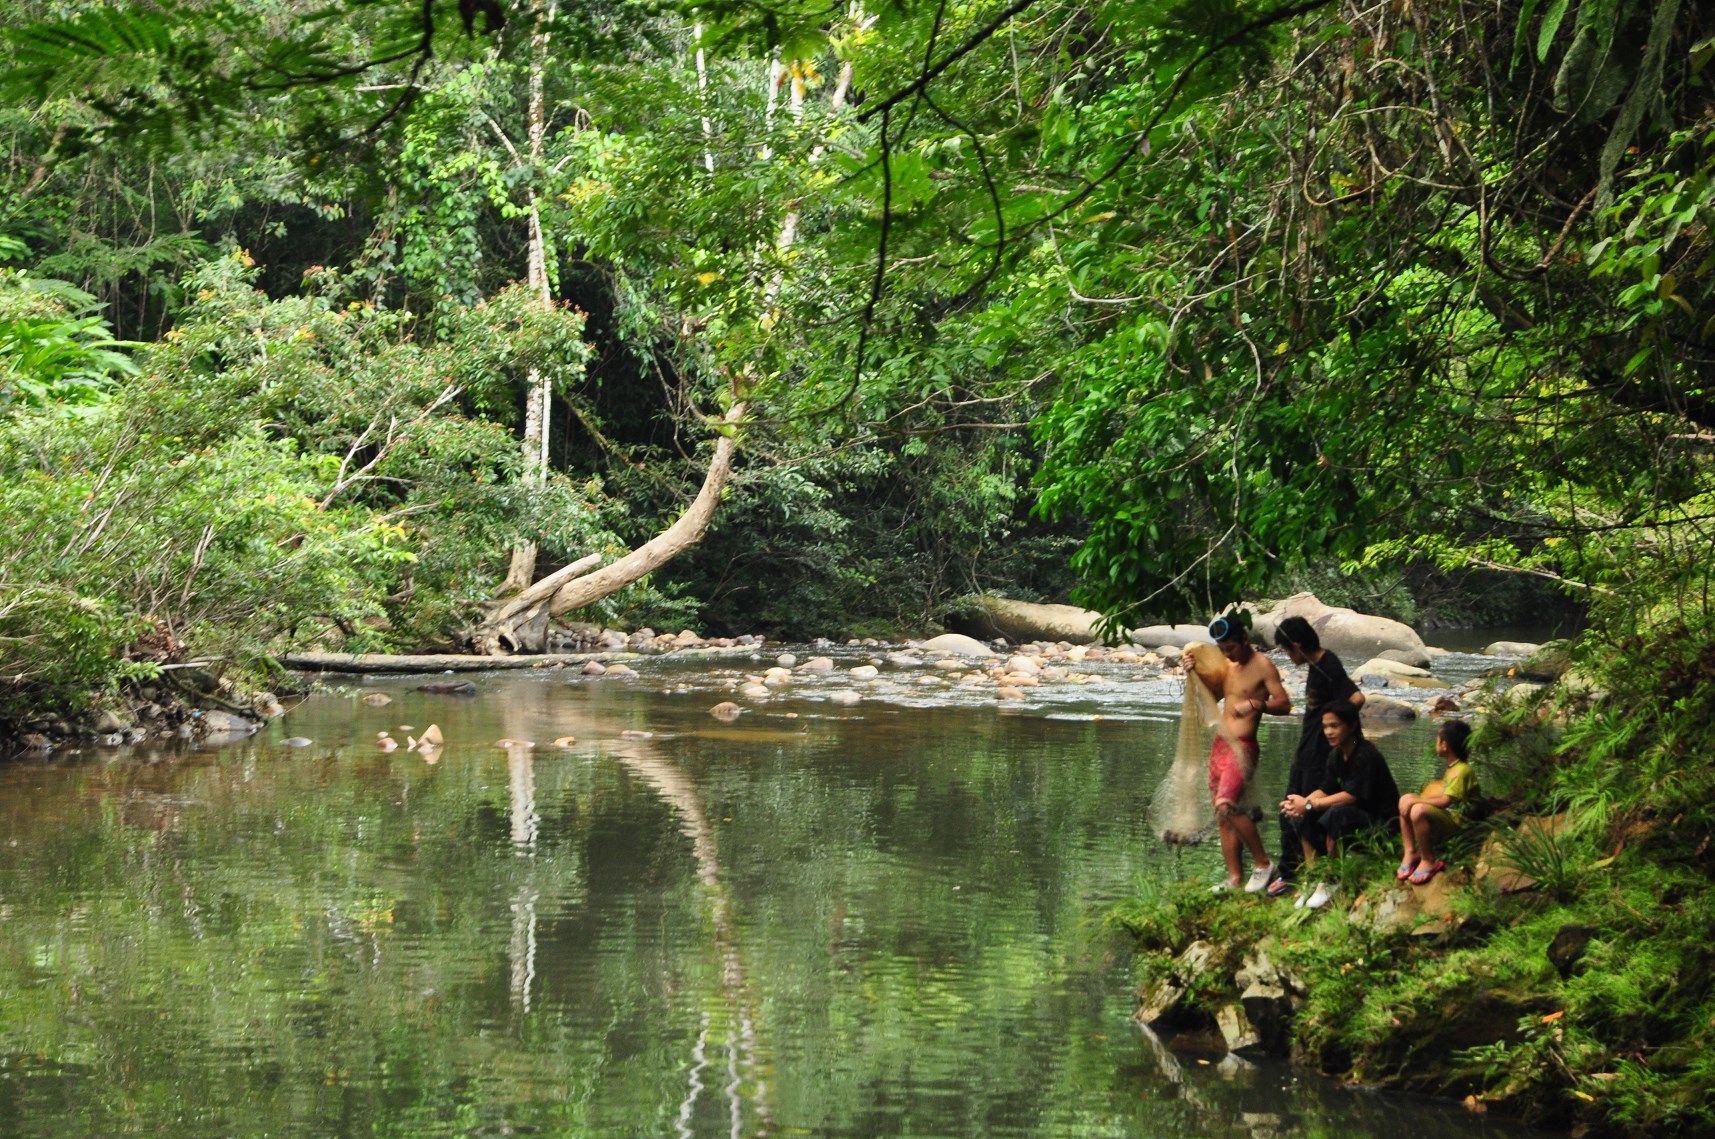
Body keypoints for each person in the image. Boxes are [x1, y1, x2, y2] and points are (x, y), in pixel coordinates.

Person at [1182, 613, 1291, 893]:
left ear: (1245, 639)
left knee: (1226, 805)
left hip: (1243, 746)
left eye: (1230, 647)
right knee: (1222, 816)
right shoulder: (1228, 665)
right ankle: (1233, 880)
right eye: (1222, 649)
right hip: (1220, 745)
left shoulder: (1263, 666)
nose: (1227, 654)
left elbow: (1284, 704)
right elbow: (1214, 695)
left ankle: (1263, 864)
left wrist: (1257, 704)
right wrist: (1193, 671)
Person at [1266, 616, 1364, 899]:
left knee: (1303, 813)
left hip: (1321, 756)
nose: (1288, 656)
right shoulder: (1316, 665)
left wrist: (1336, 731)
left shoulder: (1327, 665)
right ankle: (1294, 872)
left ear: (1297, 645)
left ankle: (1302, 875)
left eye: (1287, 650)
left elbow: (1357, 699)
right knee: (1289, 811)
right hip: (1307, 752)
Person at [1280, 699, 1399, 910]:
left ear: (1352, 725)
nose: (1328, 732)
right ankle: (1314, 876)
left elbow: (1352, 796)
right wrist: (1299, 804)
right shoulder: (1336, 755)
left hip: (1381, 825)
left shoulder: (1366, 755)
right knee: (1302, 814)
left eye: (1334, 726)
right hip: (1354, 816)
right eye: (1325, 726)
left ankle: (1331, 879)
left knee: (1336, 813)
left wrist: (1310, 804)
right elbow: (1325, 789)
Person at [1395, 719, 1478, 885]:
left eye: (1437, 739)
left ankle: (1428, 859)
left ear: (1444, 744)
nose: (1436, 743)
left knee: (1417, 809)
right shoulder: (1453, 767)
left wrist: (1417, 800)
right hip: (1449, 816)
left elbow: (1446, 801)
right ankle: (1410, 851)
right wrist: (1412, 799)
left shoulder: (1461, 770)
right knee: (1405, 799)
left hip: (1460, 822)